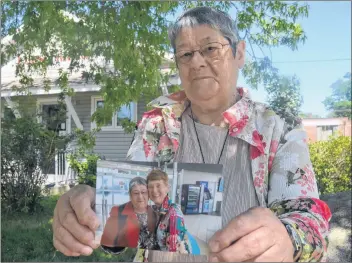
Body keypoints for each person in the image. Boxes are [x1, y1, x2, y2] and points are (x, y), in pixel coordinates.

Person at [52, 6, 331, 262]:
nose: (196, 62)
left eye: (210, 48)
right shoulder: (157, 124)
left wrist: (288, 238)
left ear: (239, 53)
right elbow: (126, 212)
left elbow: (310, 221)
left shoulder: (278, 127)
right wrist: (90, 212)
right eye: (185, 54)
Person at [100, 177, 157, 253]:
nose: (140, 197)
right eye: (136, 193)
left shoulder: (156, 212)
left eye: (143, 192)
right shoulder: (119, 212)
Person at [146, 169, 191, 254]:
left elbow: (178, 239)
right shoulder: (154, 210)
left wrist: (174, 242)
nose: (154, 190)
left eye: (158, 186)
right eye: (150, 187)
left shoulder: (174, 212)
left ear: (167, 188)